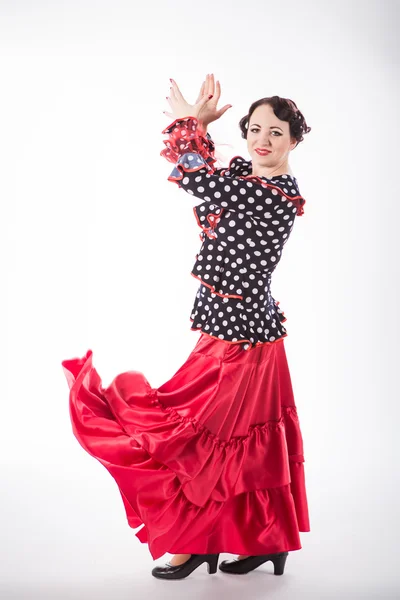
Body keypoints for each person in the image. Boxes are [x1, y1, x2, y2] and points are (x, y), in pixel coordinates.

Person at [61, 73, 311, 581]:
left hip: (243, 342)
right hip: (238, 332)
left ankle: (195, 543)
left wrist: (191, 122)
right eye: (255, 129)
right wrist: (198, 126)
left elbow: (198, 177)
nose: (262, 140)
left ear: (295, 141)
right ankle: (268, 540)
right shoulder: (253, 182)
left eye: (276, 133)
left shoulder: (273, 195)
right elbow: (212, 178)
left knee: (202, 440)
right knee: (235, 442)